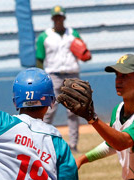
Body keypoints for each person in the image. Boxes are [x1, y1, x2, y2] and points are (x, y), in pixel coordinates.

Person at [36, 5, 89, 151]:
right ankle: (42, 142)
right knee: (49, 110)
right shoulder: (44, 36)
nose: (58, 20)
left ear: (64, 18)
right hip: (54, 75)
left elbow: (84, 53)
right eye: (56, 17)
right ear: (53, 19)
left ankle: (73, 145)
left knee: (73, 111)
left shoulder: (73, 34)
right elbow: (39, 59)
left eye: (60, 17)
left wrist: (84, 54)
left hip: (72, 74)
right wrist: (41, 76)